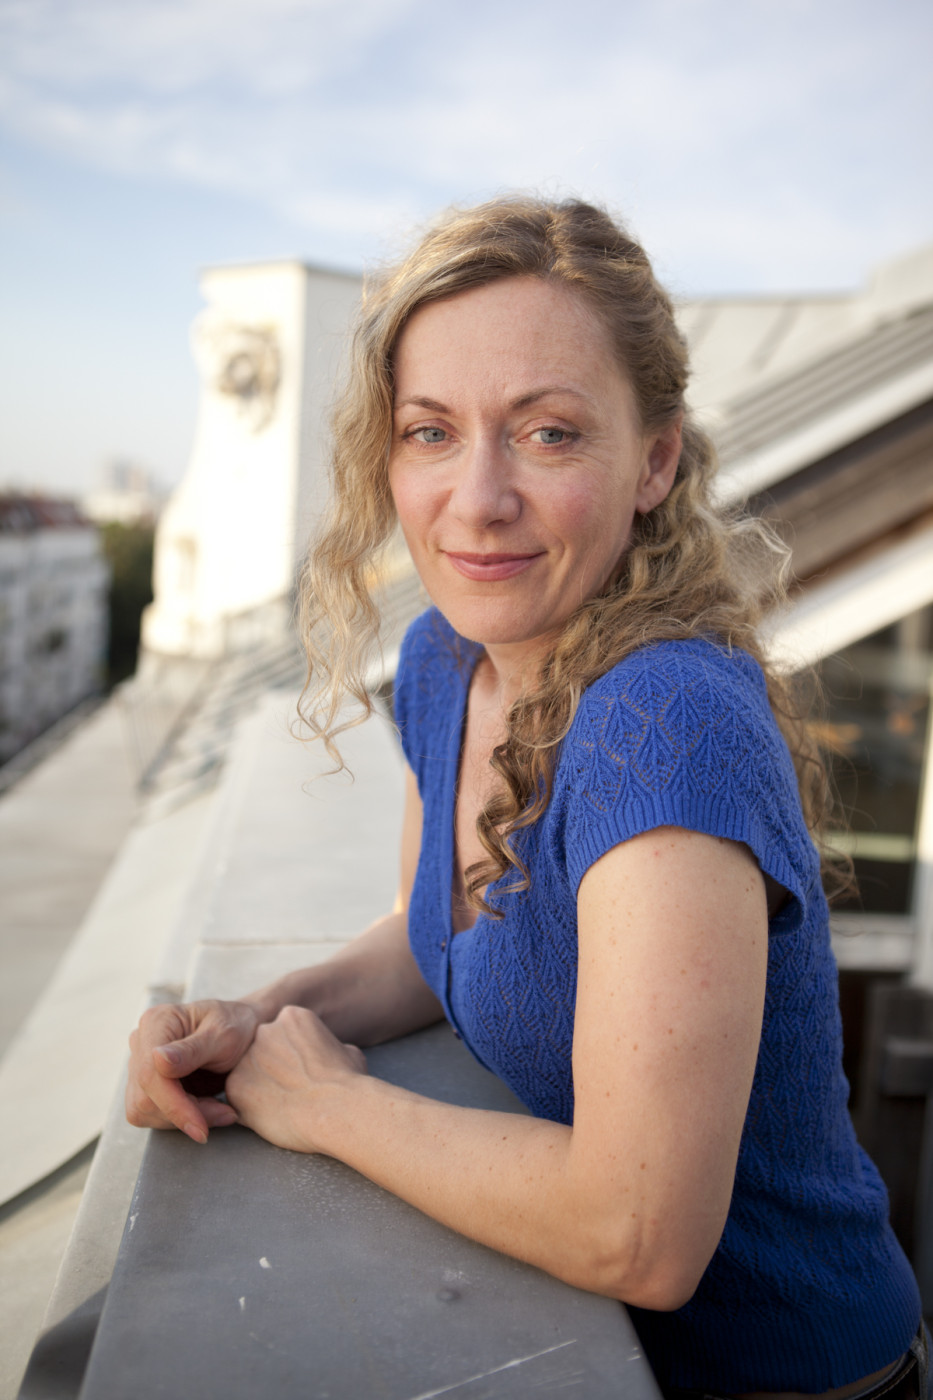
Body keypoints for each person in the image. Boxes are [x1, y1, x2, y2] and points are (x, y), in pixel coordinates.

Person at [126, 196, 926, 1397]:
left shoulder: (665, 721)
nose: (478, 496)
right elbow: (436, 938)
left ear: (654, 460)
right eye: (431, 431)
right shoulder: (448, 661)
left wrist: (331, 1103)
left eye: (548, 434)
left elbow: (638, 1233)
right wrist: (254, 1019)